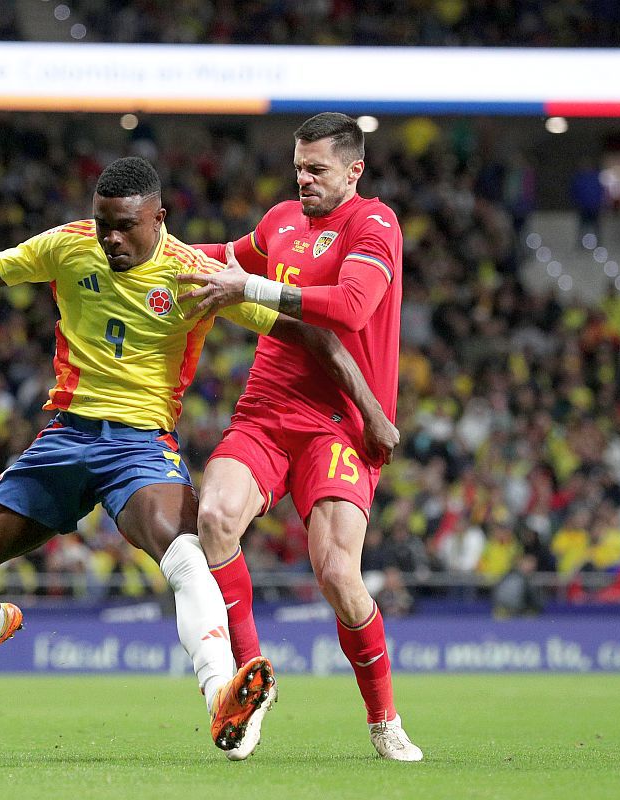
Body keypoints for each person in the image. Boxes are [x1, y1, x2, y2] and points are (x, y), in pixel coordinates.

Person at [0, 156, 389, 760]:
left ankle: (224, 697)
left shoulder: (196, 273)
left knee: (186, 556)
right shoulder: (69, 246)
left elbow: (313, 333)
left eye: (125, 226)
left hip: (141, 447)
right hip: (66, 438)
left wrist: (371, 411)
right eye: (103, 223)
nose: (110, 237)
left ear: (159, 219)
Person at [178, 112, 423, 761]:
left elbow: (348, 308)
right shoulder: (281, 221)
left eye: (317, 169)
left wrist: (251, 286)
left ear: (354, 170)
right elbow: (222, 260)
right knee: (214, 516)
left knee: (338, 573)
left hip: (340, 420)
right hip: (266, 409)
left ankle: (384, 720)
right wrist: (152, 244)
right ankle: (249, 678)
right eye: (299, 168)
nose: (305, 179)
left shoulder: (375, 224)